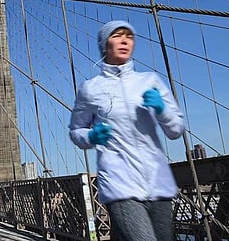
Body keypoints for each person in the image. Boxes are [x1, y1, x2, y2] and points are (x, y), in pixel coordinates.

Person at [68, 20, 185, 241]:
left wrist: (162, 110)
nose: (124, 40)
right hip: (119, 183)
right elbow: (76, 131)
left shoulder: (149, 81)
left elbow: (176, 129)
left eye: (129, 36)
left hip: (158, 183)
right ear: (104, 44)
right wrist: (91, 136)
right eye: (117, 35)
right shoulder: (90, 89)